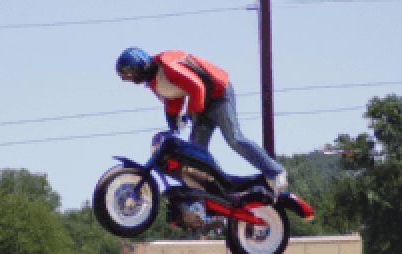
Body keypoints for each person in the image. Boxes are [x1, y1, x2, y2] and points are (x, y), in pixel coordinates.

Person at [115, 47, 288, 195]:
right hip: (201, 102)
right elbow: (174, 98)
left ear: (139, 65)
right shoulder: (155, 81)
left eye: (130, 74)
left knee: (234, 138)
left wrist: (190, 114)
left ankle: (275, 172)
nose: (132, 79)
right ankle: (207, 198)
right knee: (195, 155)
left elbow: (197, 86)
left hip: (218, 95)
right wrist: (172, 122)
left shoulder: (167, 65)